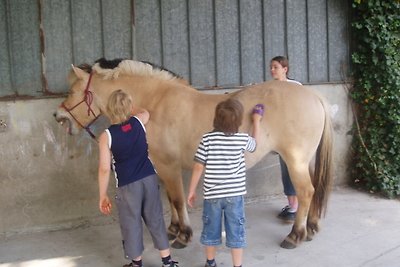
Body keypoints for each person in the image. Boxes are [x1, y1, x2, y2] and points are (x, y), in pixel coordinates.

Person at [97, 89, 179, 267]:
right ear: (130, 107)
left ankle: (136, 264)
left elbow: (104, 169)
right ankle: (168, 262)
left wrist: (102, 195)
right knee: (155, 218)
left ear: (108, 110)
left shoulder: (106, 136)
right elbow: (145, 112)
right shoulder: (138, 121)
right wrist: (130, 108)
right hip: (149, 178)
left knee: (131, 223)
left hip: (128, 185)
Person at [187, 98, 263, 267]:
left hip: (212, 196)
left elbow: (198, 166)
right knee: (236, 232)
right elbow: (255, 144)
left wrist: (191, 191)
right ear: (239, 120)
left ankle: (210, 262)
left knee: (211, 231)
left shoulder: (207, 139)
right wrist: (256, 121)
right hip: (234, 196)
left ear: (216, 119)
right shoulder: (242, 139)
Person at [269, 55, 301, 223]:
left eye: (275, 67)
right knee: (284, 170)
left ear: (285, 69)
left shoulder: (295, 87)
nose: (272, 70)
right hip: (279, 136)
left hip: (294, 136)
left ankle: (295, 208)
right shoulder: (270, 88)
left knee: (293, 169)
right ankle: (291, 205)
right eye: (271, 67)